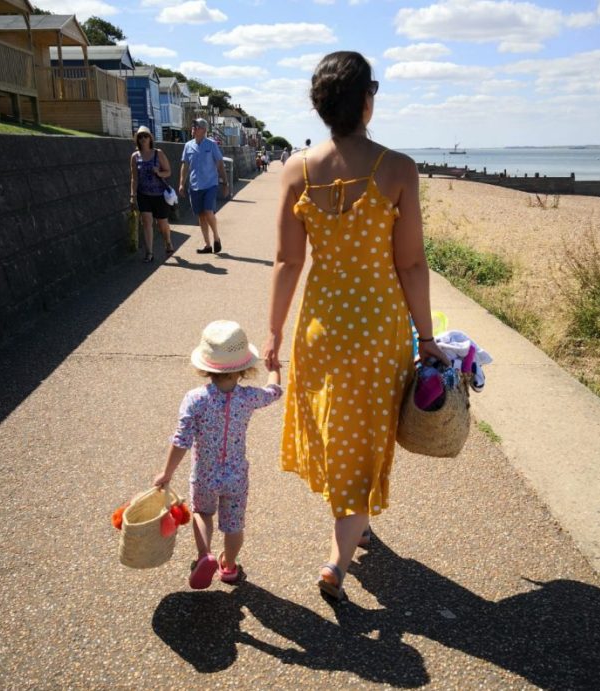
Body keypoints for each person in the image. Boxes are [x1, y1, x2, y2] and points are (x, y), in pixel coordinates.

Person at [263, 51, 450, 601]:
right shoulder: (397, 169)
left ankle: (357, 524)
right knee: (363, 433)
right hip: (376, 328)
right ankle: (336, 561)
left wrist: (273, 333)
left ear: (321, 106)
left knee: (335, 429)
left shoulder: (296, 171)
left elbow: (287, 261)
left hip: (320, 327)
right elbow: (411, 264)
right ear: (366, 100)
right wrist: (428, 339)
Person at [154, 320, 282, 589]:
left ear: (206, 366)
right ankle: (229, 566)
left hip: (204, 475)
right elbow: (274, 393)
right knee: (234, 525)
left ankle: (206, 556)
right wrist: (274, 370)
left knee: (202, 512)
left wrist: (166, 473)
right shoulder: (247, 397)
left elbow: (181, 440)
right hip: (235, 475)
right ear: (244, 368)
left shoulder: (195, 399)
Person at [179, 118, 229, 255]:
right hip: (194, 185)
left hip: (210, 185)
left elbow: (219, 164)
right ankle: (207, 245)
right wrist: (181, 184)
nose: (193, 128)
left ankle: (216, 237)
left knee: (208, 211)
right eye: (193, 126)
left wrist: (225, 183)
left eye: (197, 126)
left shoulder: (211, 145)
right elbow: (185, 165)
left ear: (204, 130)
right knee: (201, 216)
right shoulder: (188, 146)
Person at [129, 126, 174, 262]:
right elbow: (134, 177)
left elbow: (168, 171)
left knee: (162, 224)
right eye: (140, 136)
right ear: (137, 139)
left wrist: (159, 172)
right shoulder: (135, 156)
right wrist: (133, 196)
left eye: (145, 136)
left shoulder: (158, 153)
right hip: (143, 194)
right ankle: (149, 253)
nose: (143, 139)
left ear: (150, 138)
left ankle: (167, 241)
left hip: (159, 194)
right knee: (147, 222)